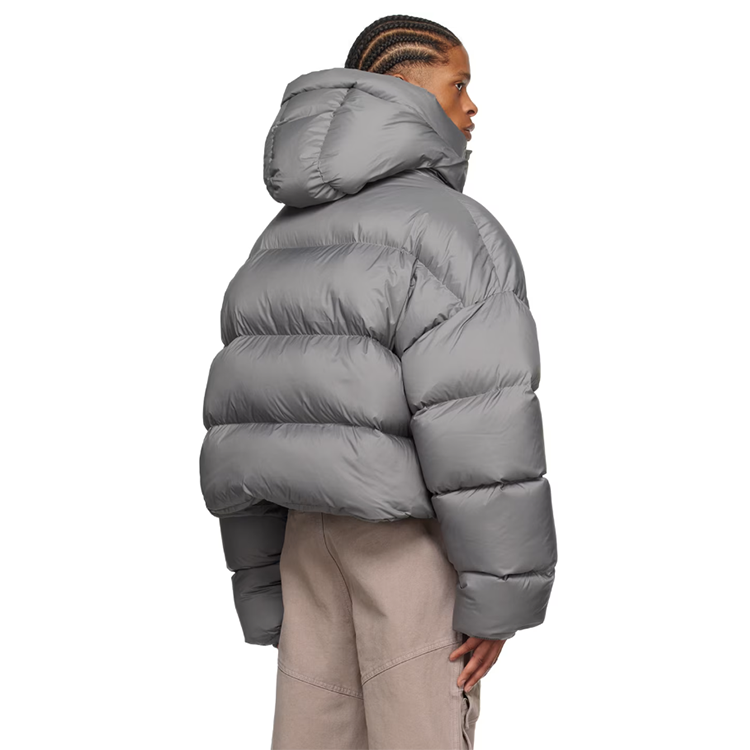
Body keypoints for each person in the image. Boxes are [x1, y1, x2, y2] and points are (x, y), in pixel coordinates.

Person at [199, 13, 558, 749]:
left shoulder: (277, 239)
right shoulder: (454, 231)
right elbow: (480, 420)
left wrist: (261, 585)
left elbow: (244, 429)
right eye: (458, 84)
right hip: (407, 552)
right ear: (406, 91)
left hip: (306, 547)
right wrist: (499, 595)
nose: (472, 106)